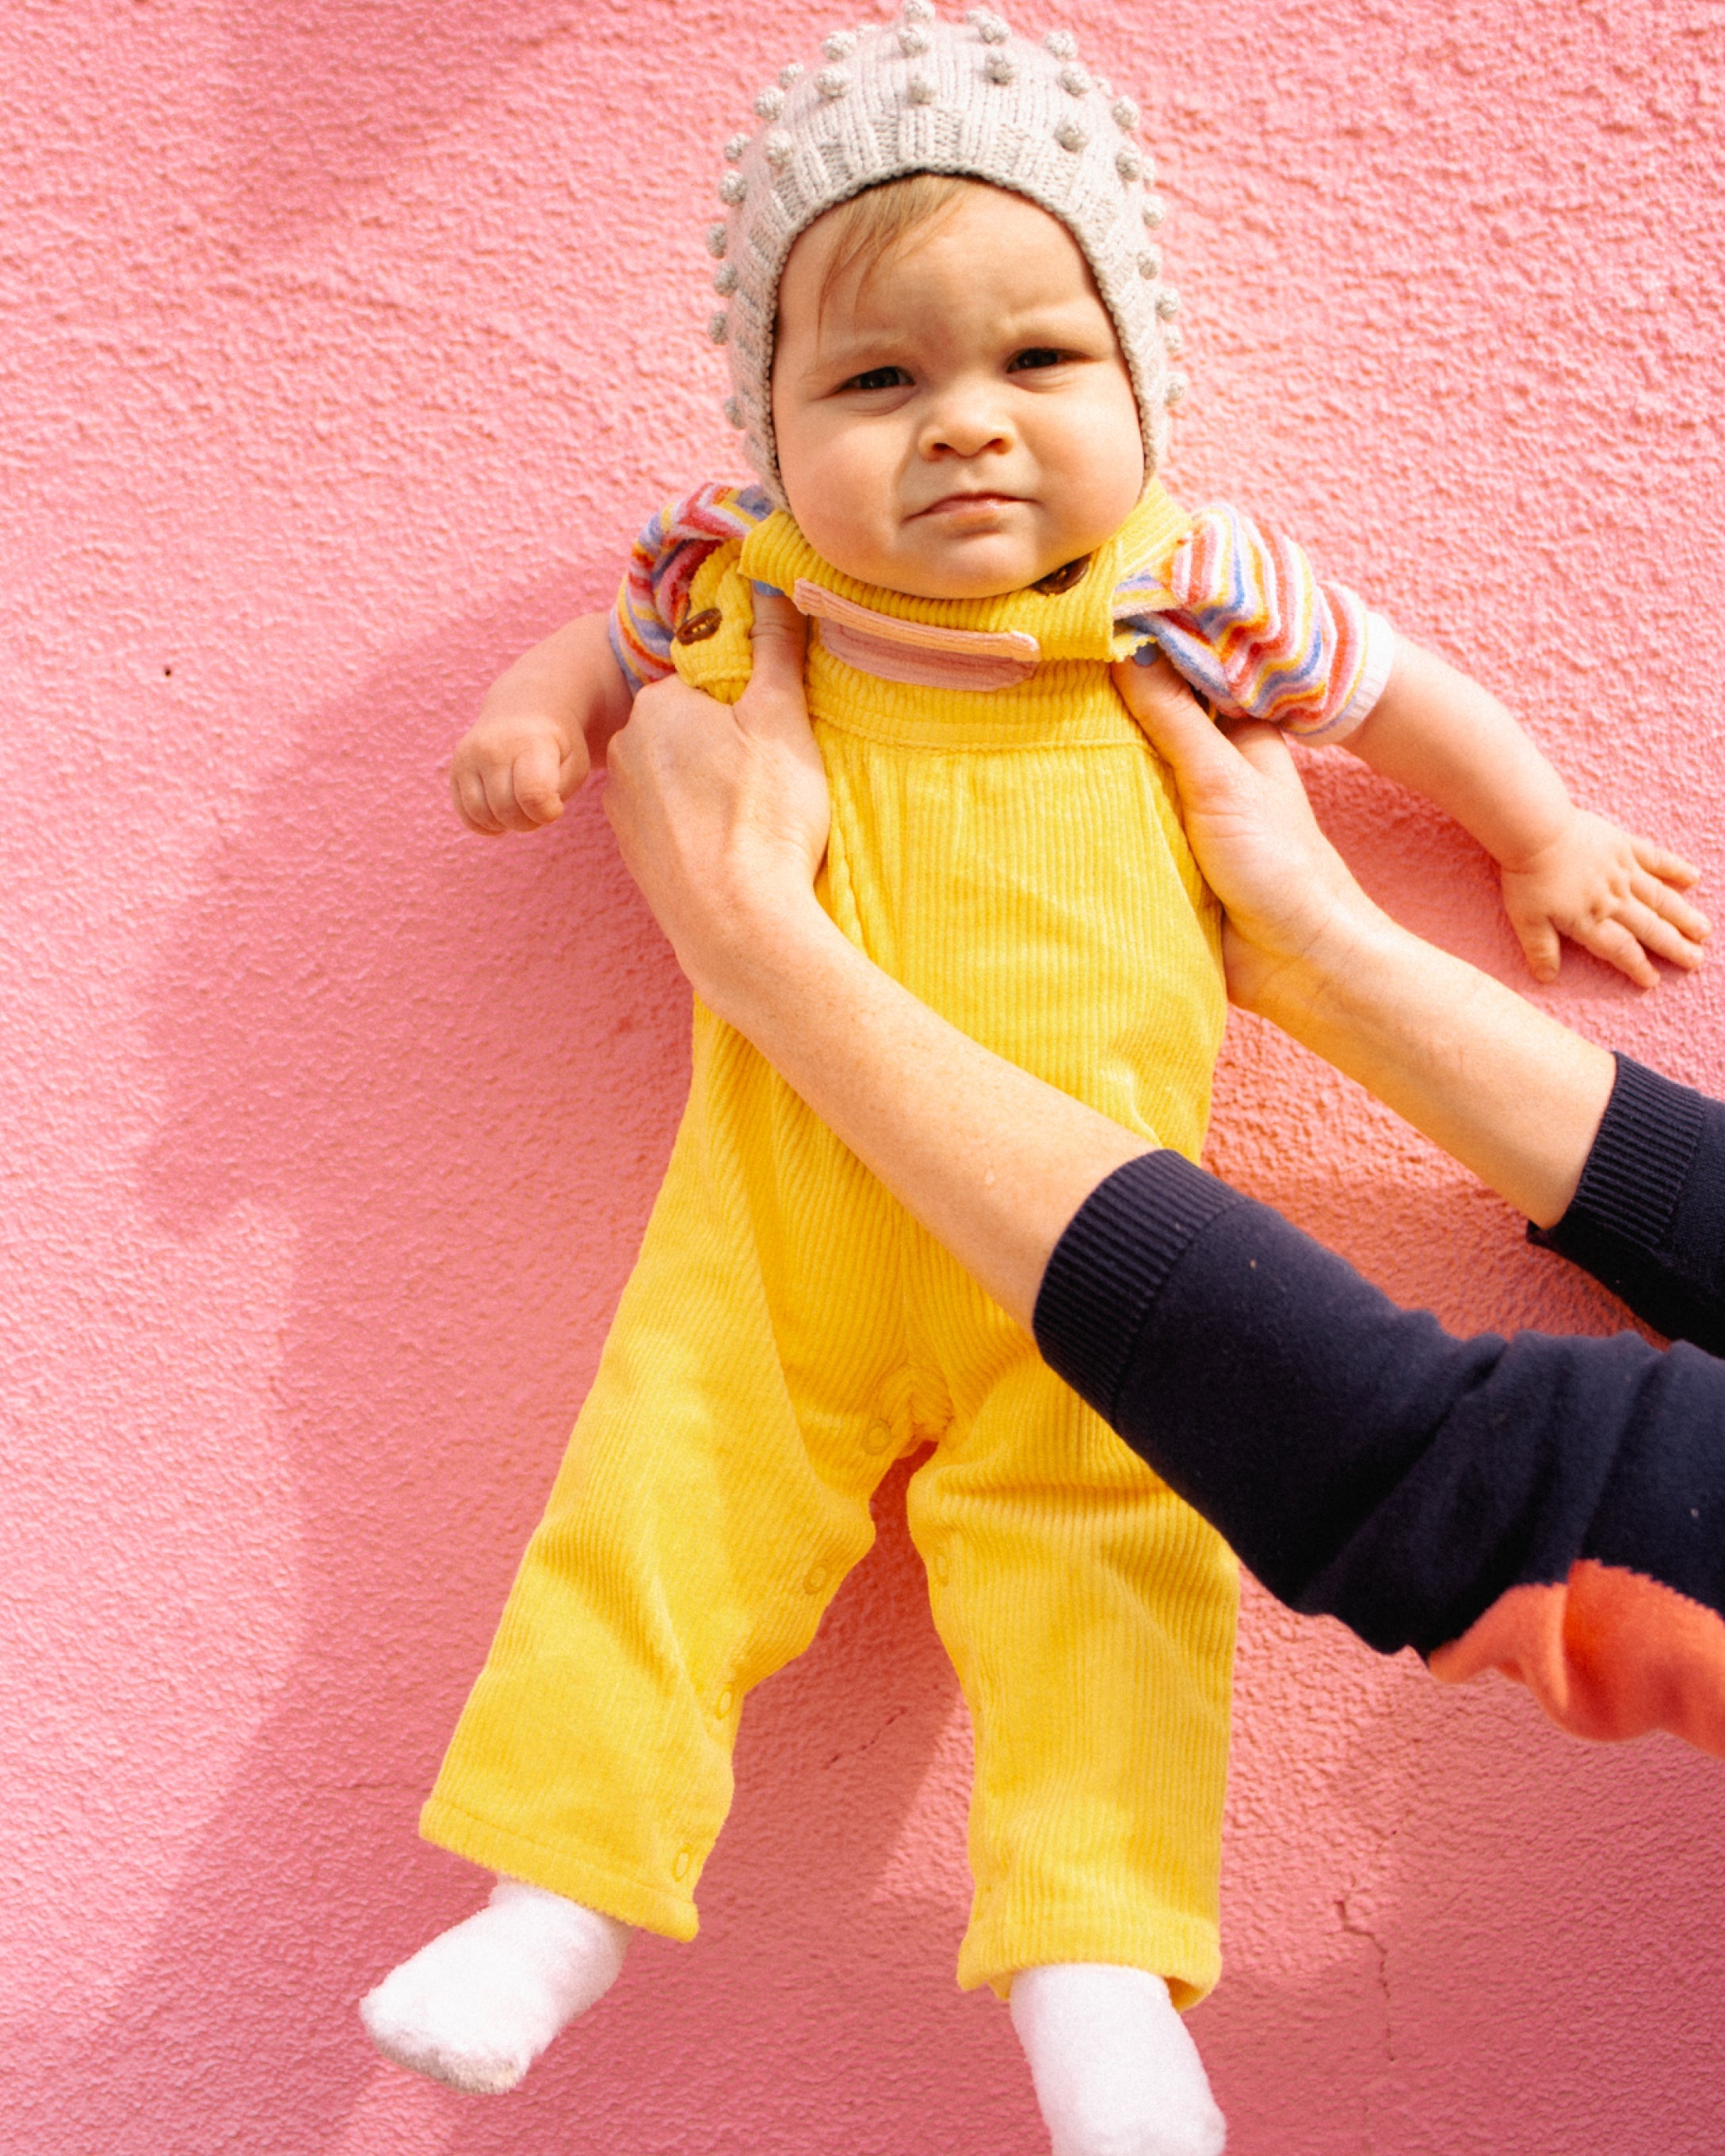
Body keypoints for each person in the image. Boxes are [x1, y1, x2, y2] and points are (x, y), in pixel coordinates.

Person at [361, 10, 1706, 2150]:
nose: (965, 431)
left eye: (1035, 366)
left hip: (1106, 1264)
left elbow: (1402, 695)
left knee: (1116, 1586)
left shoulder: (1187, 583)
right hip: (779, 1240)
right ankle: (551, 1897)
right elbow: (607, 659)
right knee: (652, 1520)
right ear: (770, 420)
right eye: (876, 382)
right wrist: (539, 727)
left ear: (1135, 379)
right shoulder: (740, 573)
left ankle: (1098, 1989)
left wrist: (1534, 830)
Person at [597, 603, 1725, 1766]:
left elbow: (1462, 1485)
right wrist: (1319, 948)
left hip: (1032, 1332)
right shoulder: (756, 563)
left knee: (1091, 1598)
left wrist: (758, 944)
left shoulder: (1190, 572)